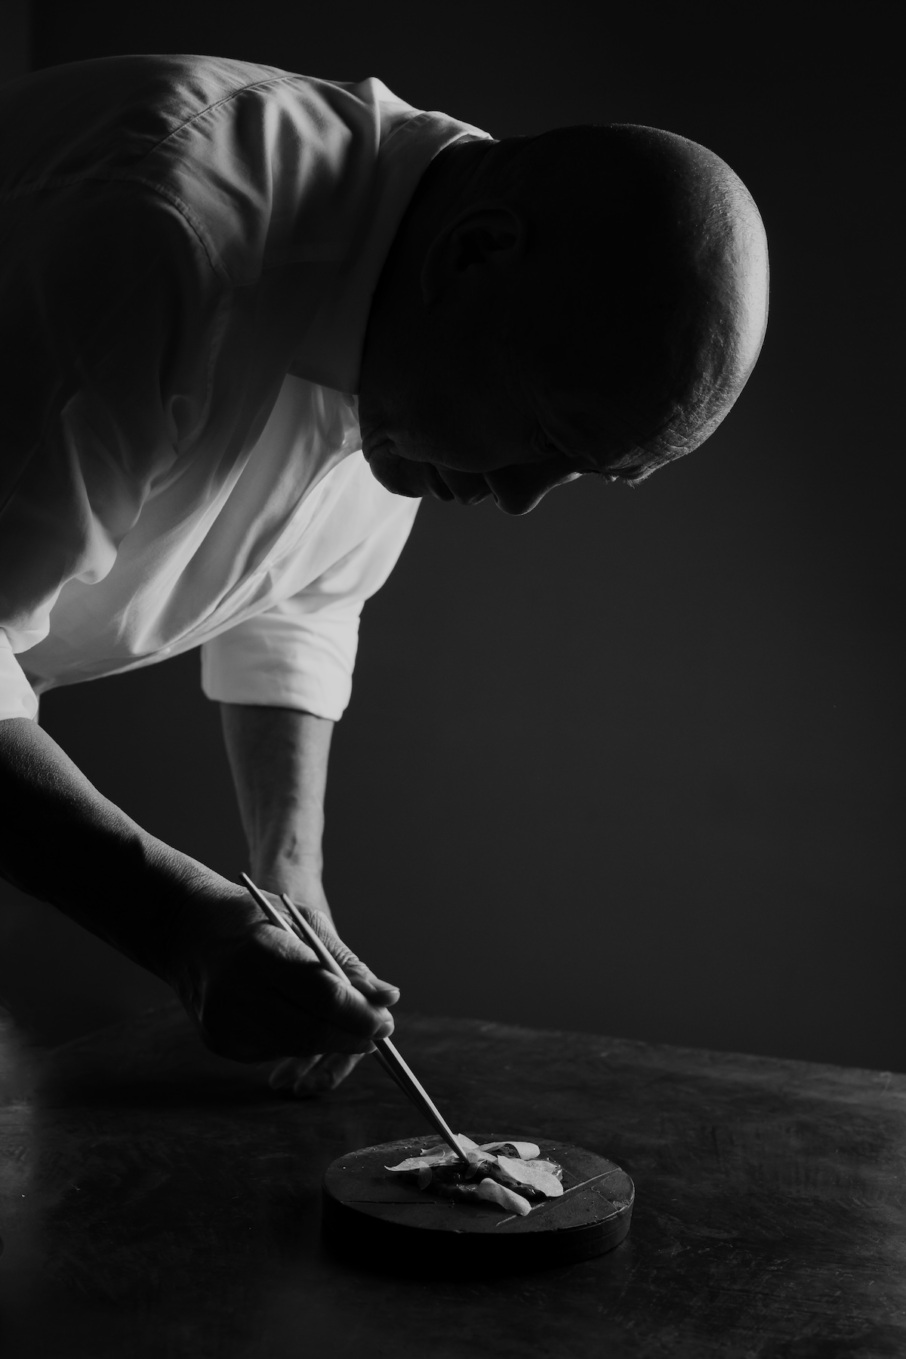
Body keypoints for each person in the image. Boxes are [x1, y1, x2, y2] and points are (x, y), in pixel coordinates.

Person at [0, 54, 768, 1096]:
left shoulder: (416, 322)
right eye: (546, 433)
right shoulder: (158, 236)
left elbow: (295, 599)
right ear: (476, 252)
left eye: (585, 472)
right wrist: (179, 922)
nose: (521, 497)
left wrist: (289, 881)